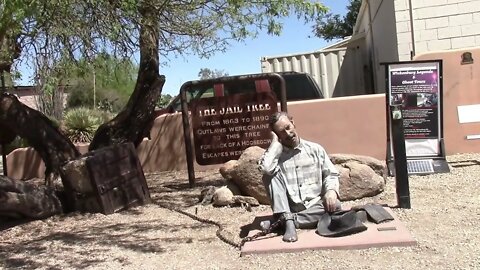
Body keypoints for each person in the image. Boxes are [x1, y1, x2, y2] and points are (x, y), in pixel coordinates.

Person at [258, 112, 341, 242]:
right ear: (277, 135)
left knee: (335, 206)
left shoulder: (315, 149)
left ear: (293, 123)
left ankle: (286, 222)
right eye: (281, 132)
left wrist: (331, 191)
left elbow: (331, 174)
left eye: (288, 127)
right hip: (288, 206)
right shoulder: (275, 156)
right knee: (269, 175)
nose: (287, 134)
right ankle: (286, 219)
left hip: (314, 206)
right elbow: (266, 169)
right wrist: (274, 144)